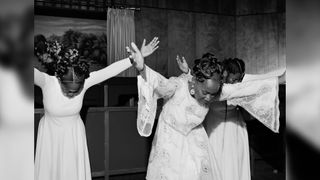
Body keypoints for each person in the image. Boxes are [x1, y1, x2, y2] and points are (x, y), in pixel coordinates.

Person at [34, 37, 159, 180]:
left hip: (73, 135)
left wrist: (134, 58)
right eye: (68, 90)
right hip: (50, 135)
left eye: (76, 90)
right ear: (59, 79)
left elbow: (109, 71)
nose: (71, 94)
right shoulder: (46, 82)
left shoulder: (85, 80)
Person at [177, 54, 285, 180]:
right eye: (233, 79)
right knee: (214, 165)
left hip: (235, 132)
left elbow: (255, 85)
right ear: (225, 73)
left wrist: (281, 79)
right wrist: (187, 72)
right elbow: (199, 83)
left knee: (234, 166)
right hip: (213, 131)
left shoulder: (235, 88)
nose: (236, 83)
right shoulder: (215, 88)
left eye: (238, 80)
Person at [129, 49, 224, 179]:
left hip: (195, 138)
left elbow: (241, 90)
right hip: (170, 139)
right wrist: (142, 68)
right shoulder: (176, 86)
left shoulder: (210, 89)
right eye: (205, 92)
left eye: (212, 94)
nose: (208, 98)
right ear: (195, 80)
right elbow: (158, 83)